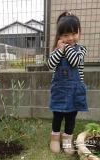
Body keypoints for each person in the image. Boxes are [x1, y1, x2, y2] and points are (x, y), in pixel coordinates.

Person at [47, 11, 88, 155]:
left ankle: (67, 141)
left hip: (75, 90)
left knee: (71, 118)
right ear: (59, 36)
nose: (70, 38)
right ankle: (54, 139)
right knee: (57, 116)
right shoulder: (56, 51)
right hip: (59, 90)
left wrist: (67, 47)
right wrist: (59, 50)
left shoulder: (81, 50)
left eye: (73, 33)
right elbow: (50, 65)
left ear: (79, 32)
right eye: (65, 35)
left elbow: (74, 61)